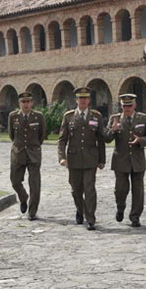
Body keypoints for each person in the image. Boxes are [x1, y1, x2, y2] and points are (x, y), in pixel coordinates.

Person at [58, 87, 106, 231]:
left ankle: (90, 218)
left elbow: (101, 140)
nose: (83, 100)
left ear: (89, 100)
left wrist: (101, 160)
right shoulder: (69, 116)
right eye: (80, 98)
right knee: (76, 190)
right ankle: (80, 210)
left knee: (89, 188)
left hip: (91, 159)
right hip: (73, 160)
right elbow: (62, 139)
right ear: (77, 100)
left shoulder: (96, 116)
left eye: (86, 98)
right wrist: (62, 157)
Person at [104, 94, 146, 227]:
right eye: (124, 105)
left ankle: (135, 217)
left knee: (138, 191)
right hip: (120, 160)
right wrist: (113, 131)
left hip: (137, 160)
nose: (127, 108)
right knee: (120, 189)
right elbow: (107, 139)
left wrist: (141, 140)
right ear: (121, 106)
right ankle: (120, 207)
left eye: (129, 105)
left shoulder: (143, 118)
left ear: (134, 105)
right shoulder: (114, 118)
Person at [8, 92, 46, 220]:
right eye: (23, 102)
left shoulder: (39, 117)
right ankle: (23, 197)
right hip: (18, 153)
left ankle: (32, 211)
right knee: (15, 180)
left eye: (28, 102)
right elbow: (11, 135)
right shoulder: (13, 117)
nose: (26, 104)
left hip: (33, 154)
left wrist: (33, 146)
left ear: (32, 103)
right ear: (19, 103)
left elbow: (42, 136)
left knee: (35, 184)